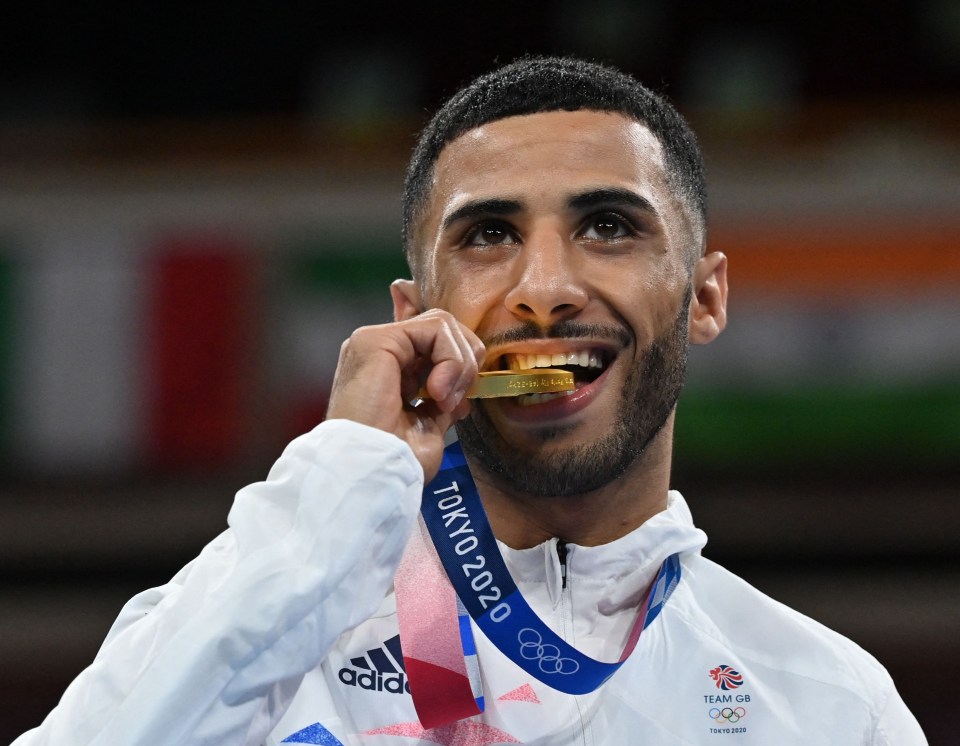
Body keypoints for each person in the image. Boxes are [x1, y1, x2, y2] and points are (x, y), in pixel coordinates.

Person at [14, 56, 925, 745]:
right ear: (414, 314)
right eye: (490, 235)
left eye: (608, 227)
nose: (545, 287)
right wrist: (335, 489)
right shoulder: (263, 629)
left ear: (706, 297)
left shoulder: (825, 704)